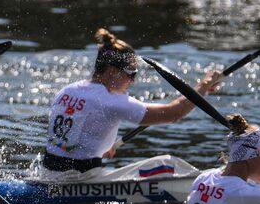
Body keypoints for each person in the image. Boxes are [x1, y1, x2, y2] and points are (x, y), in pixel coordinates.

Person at [43, 29, 220, 173]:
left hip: (49, 169)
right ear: (112, 71)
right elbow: (173, 114)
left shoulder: (67, 90)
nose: (133, 80)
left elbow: (75, 135)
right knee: (168, 166)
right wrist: (203, 86)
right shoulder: (112, 101)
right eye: (131, 73)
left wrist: (104, 146)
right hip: (80, 177)